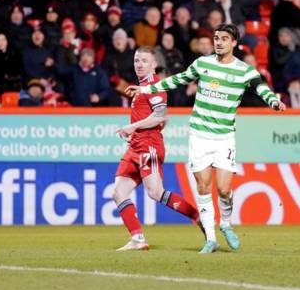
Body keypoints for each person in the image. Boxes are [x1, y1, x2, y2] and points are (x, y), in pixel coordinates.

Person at [125, 24, 286, 254]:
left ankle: (226, 223)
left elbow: (261, 88)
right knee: (203, 186)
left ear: (234, 43)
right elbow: (178, 79)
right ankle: (210, 238)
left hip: (224, 137)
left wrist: (273, 102)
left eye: (224, 39)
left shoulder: (244, 70)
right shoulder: (202, 63)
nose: (218, 42)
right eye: (216, 38)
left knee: (223, 189)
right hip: (199, 135)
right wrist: (145, 90)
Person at [113, 46, 201, 251]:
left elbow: (161, 115)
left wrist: (132, 127)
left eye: (144, 61)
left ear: (153, 65)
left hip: (149, 146)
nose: (139, 64)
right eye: (136, 61)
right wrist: (136, 132)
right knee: (118, 192)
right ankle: (137, 239)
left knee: (155, 192)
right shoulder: (141, 87)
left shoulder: (154, 85)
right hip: (135, 146)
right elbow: (160, 117)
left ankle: (198, 217)